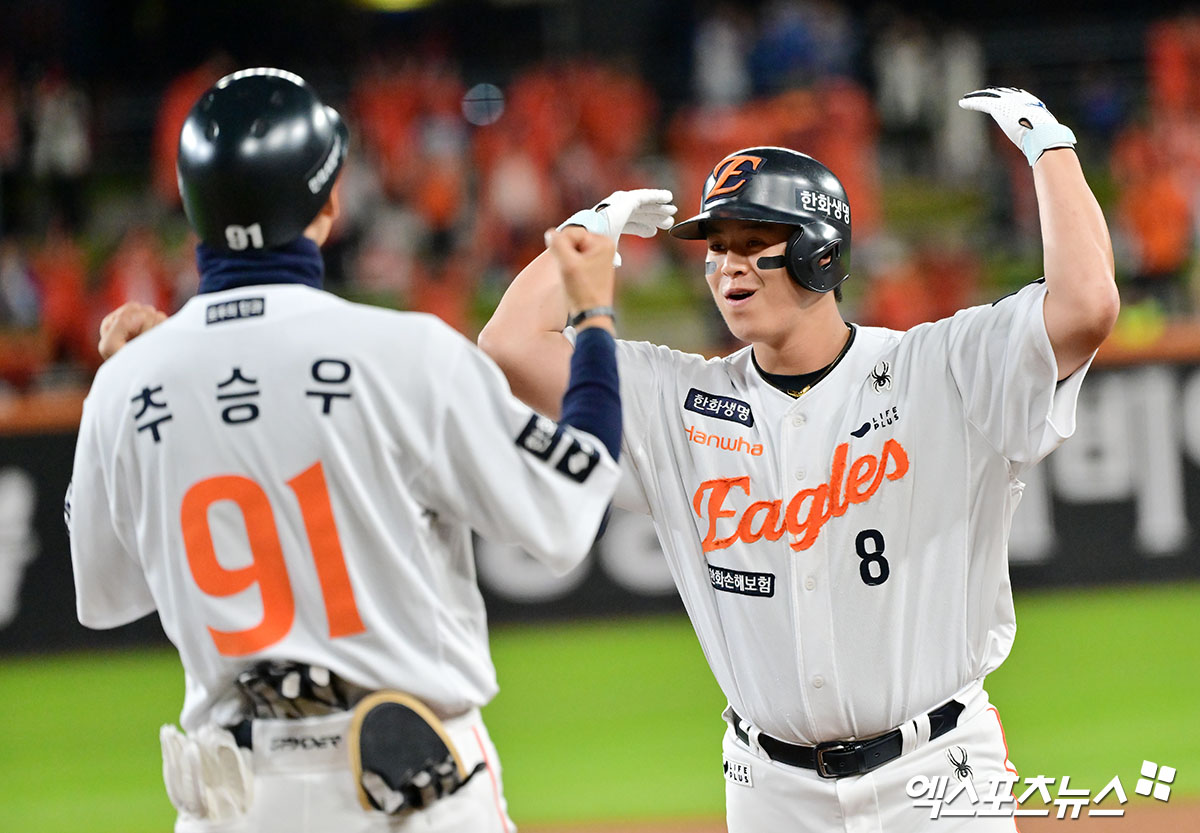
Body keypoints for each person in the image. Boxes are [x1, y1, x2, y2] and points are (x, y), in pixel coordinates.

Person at [478, 86, 1118, 831]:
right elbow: (509, 344)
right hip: (770, 791)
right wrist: (588, 230)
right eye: (717, 247)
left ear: (820, 253)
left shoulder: (938, 367)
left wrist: (1050, 146)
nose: (727, 267)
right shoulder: (678, 400)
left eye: (755, 243)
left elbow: (1086, 305)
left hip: (935, 772)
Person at [67, 67, 624, 833]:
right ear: (329, 204)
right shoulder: (406, 352)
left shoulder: (127, 381)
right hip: (408, 795)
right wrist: (593, 317)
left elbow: (105, 595)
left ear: (193, 210)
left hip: (234, 801)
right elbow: (570, 508)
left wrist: (167, 379)